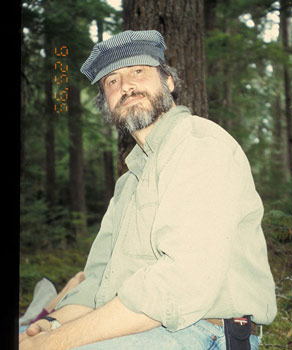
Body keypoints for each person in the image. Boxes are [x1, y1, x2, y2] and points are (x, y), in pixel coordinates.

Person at [19, 30, 277, 350]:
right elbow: (97, 282)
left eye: (138, 71)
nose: (125, 85)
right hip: (142, 327)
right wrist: (55, 323)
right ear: (107, 104)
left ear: (168, 82)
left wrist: (54, 342)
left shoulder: (199, 145)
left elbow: (182, 283)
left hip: (202, 331)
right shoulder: (127, 185)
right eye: (112, 81)